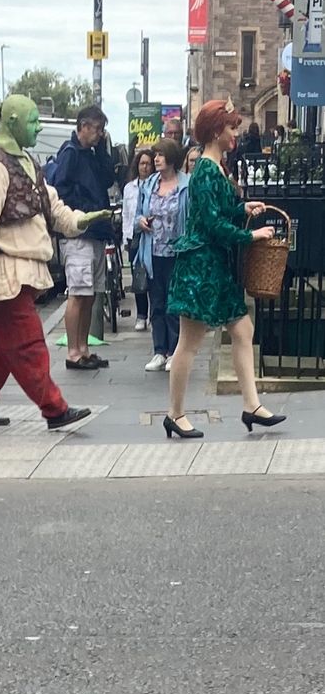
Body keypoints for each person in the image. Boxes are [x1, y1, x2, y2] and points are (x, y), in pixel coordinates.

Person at [0, 94, 111, 430]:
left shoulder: (23, 161)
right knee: (27, 345)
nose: (38, 126)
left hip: (16, 269)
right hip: (3, 271)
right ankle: (54, 409)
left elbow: (51, 206)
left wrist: (80, 220)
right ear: (12, 123)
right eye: (32, 121)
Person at [164, 98, 286, 439]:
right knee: (189, 342)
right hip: (201, 267)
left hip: (212, 266)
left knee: (242, 329)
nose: (236, 134)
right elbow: (211, 225)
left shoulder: (214, 168)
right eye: (232, 127)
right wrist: (251, 234)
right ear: (217, 130)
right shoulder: (204, 170)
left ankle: (252, 406)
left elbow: (217, 213)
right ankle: (175, 413)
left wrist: (242, 207)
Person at [53, 105, 115, 370]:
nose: (100, 134)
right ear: (84, 126)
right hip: (79, 231)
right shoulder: (70, 154)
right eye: (97, 129)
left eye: (102, 130)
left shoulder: (91, 154)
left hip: (96, 230)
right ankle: (73, 352)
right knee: (78, 293)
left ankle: (85, 347)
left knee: (90, 294)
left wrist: (102, 152)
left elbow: (109, 177)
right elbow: (61, 190)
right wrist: (82, 209)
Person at [134, 138, 189, 372]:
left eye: (160, 155)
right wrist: (141, 221)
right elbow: (138, 214)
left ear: (171, 158)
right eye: (155, 155)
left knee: (173, 304)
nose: (156, 159)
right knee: (156, 302)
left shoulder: (186, 185)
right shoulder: (149, 186)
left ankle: (174, 351)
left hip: (176, 251)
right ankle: (159, 351)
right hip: (153, 251)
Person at [122, 148, 154, 331]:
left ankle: (152, 314)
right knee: (138, 275)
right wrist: (126, 236)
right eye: (142, 163)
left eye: (148, 163)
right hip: (134, 235)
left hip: (151, 234)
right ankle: (141, 315)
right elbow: (127, 214)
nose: (145, 167)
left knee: (152, 274)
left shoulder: (156, 185)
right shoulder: (130, 187)